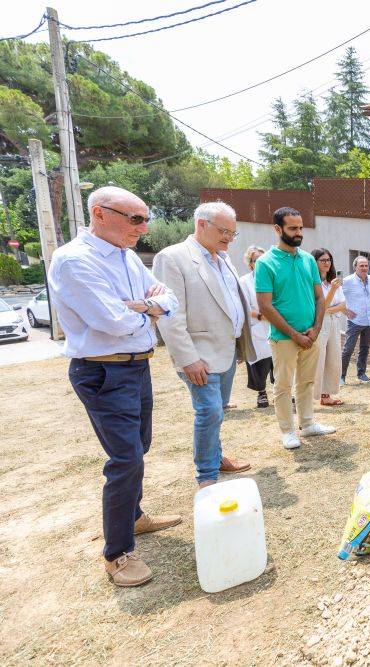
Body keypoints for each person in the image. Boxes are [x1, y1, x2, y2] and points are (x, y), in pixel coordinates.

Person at [48, 186, 181, 587]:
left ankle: (134, 516)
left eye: (145, 218)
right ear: (100, 213)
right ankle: (117, 553)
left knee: (140, 446)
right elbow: (112, 322)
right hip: (103, 371)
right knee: (125, 458)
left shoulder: (126, 258)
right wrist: (147, 309)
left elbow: (167, 298)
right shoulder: (74, 260)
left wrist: (144, 306)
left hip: (136, 366)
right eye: (134, 218)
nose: (143, 227)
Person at [153, 202, 255, 488]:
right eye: (224, 231)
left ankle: (216, 455)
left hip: (226, 350)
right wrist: (188, 358)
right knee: (209, 411)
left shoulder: (222, 258)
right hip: (199, 356)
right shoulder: (172, 258)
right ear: (201, 224)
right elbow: (170, 314)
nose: (229, 239)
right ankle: (207, 476)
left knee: (218, 410)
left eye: (233, 234)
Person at [255, 207, 337, 450]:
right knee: (283, 386)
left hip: (311, 335)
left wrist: (316, 328)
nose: (299, 233)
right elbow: (265, 306)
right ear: (278, 229)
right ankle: (288, 431)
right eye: (293, 228)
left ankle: (308, 424)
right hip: (284, 338)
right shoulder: (265, 263)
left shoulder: (308, 260)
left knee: (307, 382)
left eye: (301, 228)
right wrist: (294, 334)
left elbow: (320, 299)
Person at [340, 255, 370, 384]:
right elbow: (336, 295)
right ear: (355, 267)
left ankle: (361, 374)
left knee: (365, 348)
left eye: (366, 265)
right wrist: (344, 310)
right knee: (348, 349)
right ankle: (340, 377)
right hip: (354, 322)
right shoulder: (347, 281)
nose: (364, 268)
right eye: (361, 266)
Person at [239, 245, 274, 408]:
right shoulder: (244, 281)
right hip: (257, 325)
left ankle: (281, 392)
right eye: (256, 260)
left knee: (278, 360)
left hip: (276, 324)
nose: (260, 262)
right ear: (250, 263)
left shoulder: (273, 276)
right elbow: (245, 306)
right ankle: (261, 392)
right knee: (260, 362)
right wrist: (261, 316)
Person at [312, 248, 347, 406]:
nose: (327, 263)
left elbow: (344, 304)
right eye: (323, 260)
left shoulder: (333, 281)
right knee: (318, 359)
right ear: (315, 262)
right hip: (320, 323)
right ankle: (312, 394)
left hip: (334, 321)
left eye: (328, 260)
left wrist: (329, 309)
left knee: (333, 358)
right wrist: (332, 292)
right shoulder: (314, 282)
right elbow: (320, 306)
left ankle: (326, 395)